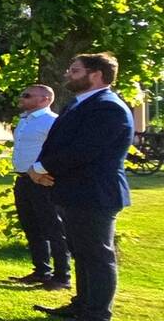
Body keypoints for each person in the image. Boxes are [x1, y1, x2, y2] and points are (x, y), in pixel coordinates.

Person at [30, 53, 134, 321]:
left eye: (75, 70)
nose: (68, 74)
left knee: (97, 256)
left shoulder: (108, 107)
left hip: (95, 193)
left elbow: (84, 150)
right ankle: (82, 305)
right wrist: (41, 168)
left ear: (96, 74)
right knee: (81, 253)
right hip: (74, 191)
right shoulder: (77, 104)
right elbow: (57, 144)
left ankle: (97, 314)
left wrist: (40, 169)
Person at [8, 84, 70, 290]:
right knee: (32, 226)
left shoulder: (51, 122)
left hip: (43, 182)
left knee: (53, 228)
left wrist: (46, 173)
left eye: (26, 95)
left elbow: (60, 152)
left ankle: (62, 277)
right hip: (24, 179)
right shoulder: (25, 120)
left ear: (45, 99)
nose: (21, 98)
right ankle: (42, 271)